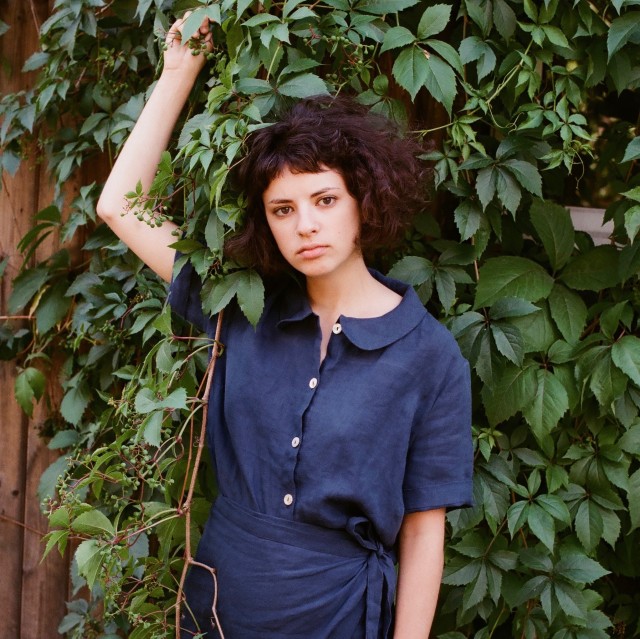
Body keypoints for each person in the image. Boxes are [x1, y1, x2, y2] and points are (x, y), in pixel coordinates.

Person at [97, 12, 474, 639]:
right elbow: (119, 207)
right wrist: (179, 71)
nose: (306, 225)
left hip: (337, 614)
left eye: (325, 200)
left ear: (363, 200)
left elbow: (422, 531)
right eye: (282, 209)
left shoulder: (429, 355)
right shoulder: (244, 308)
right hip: (219, 604)